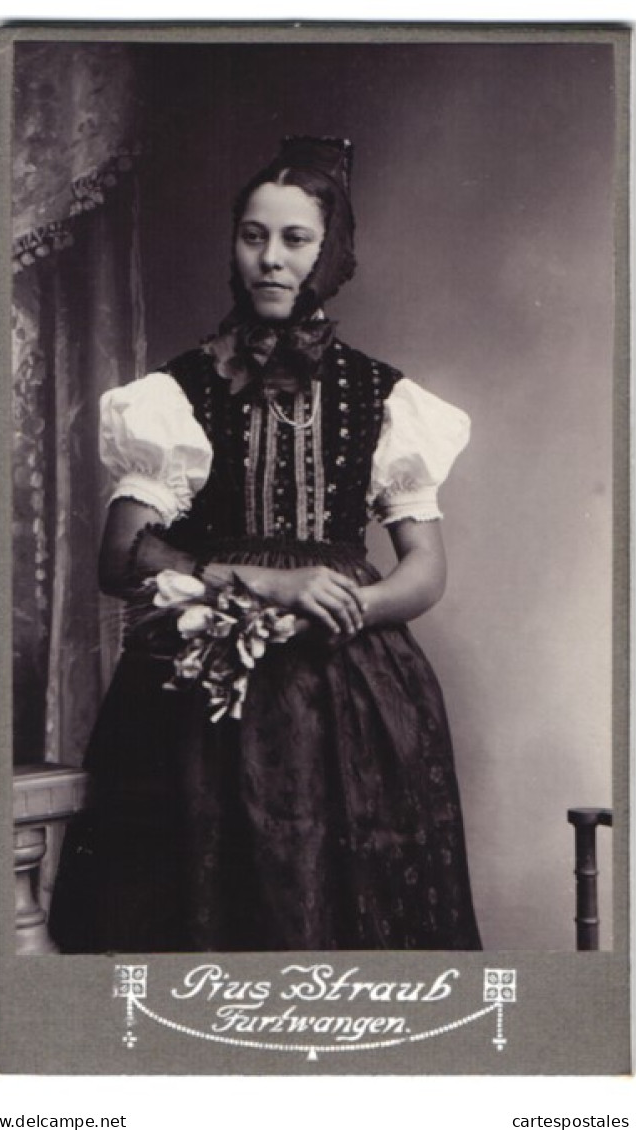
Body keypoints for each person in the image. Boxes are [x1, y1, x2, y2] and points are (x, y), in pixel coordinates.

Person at [49, 136, 482, 952]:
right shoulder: (176, 393)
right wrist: (260, 583)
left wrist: (352, 604)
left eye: (295, 239)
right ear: (235, 246)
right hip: (203, 691)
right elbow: (123, 557)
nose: (271, 260)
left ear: (332, 252)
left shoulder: (385, 396)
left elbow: (425, 569)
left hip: (351, 691)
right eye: (254, 236)